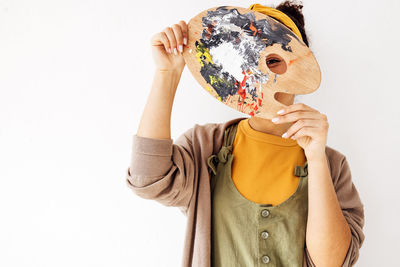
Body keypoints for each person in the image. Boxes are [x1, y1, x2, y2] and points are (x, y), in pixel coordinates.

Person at [126, 1, 365, 266]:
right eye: (250, 60)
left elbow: (332, 262)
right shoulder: (205, 146)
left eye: (273, 61)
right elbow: (146, 178)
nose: (262, 75)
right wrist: (166, 74)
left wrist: (317, 158)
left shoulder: (332, 165)